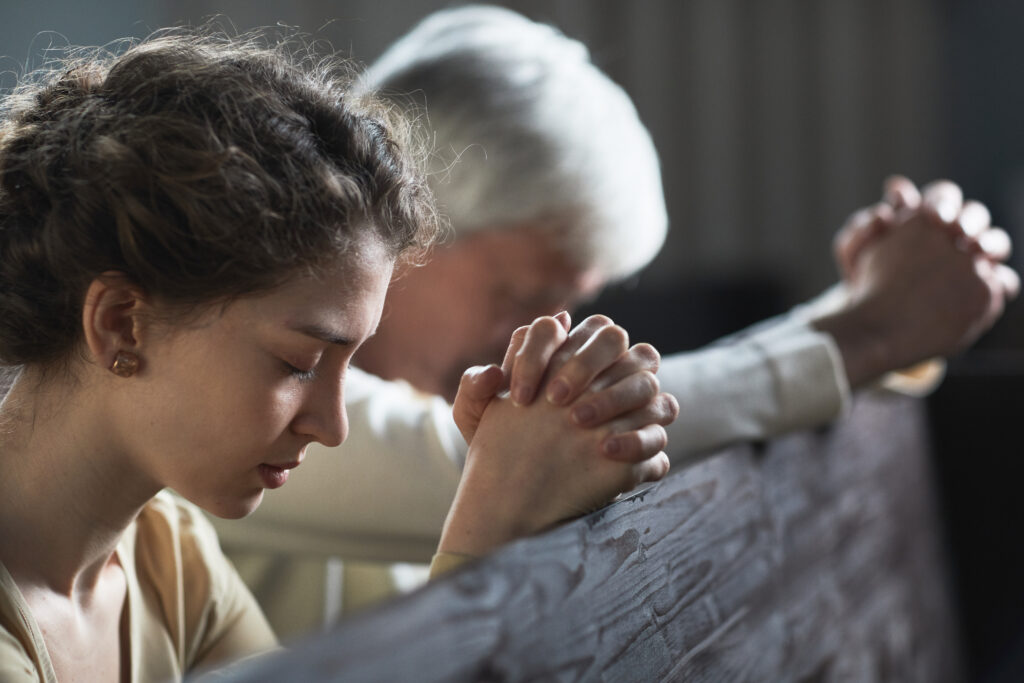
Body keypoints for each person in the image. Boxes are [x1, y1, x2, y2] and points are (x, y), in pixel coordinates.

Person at [213, 5, 1018, 638]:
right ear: (406, 223)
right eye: (517, 291)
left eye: (567, 301)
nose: (530, 335)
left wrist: (860, 322)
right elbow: (481, 466)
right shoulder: (244, 386)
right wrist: (865, 330)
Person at [0, 29, 676, 681]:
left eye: (348, 364)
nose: (333, 424)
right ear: (121, 325)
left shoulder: (168, 554)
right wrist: (490, 526)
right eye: (299, 362)